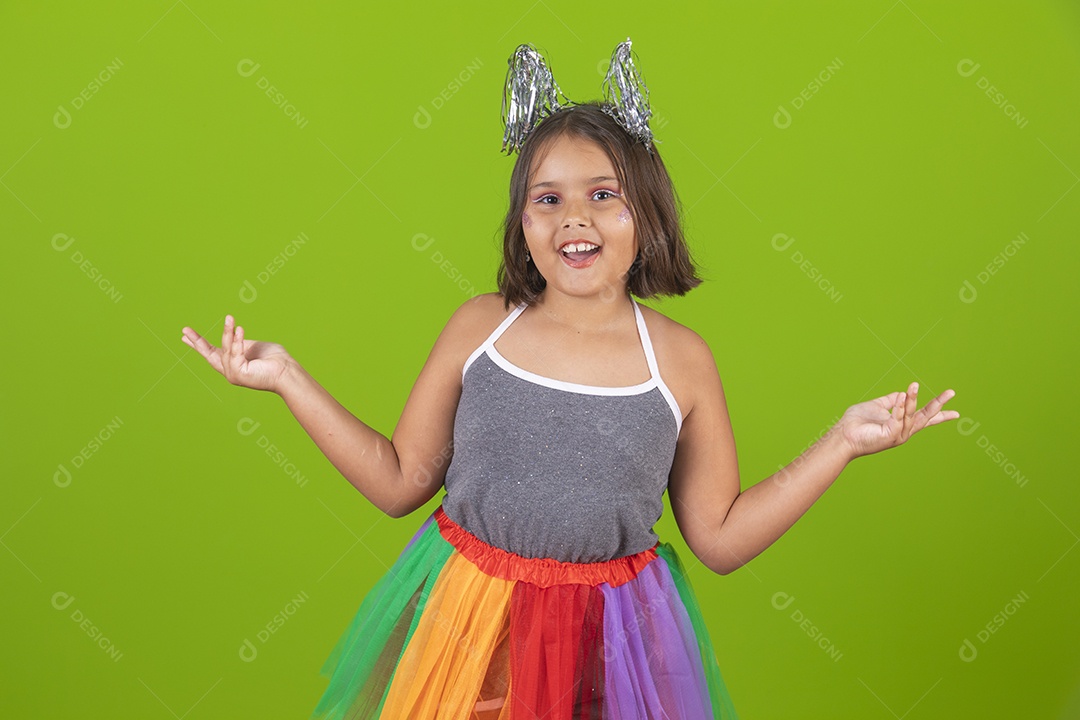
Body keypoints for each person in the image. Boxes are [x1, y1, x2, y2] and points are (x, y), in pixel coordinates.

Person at [181, 40, 958, 720]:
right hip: (469, 626)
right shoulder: (482, 326)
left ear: (645, 217)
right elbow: (398, 480)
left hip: (612, 642)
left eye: (603, 196)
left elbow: (718, 538)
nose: (572, 219)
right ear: (522, 222)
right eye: (546, 199)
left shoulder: (680, 361)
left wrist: (842, 442)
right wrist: (287, 377)